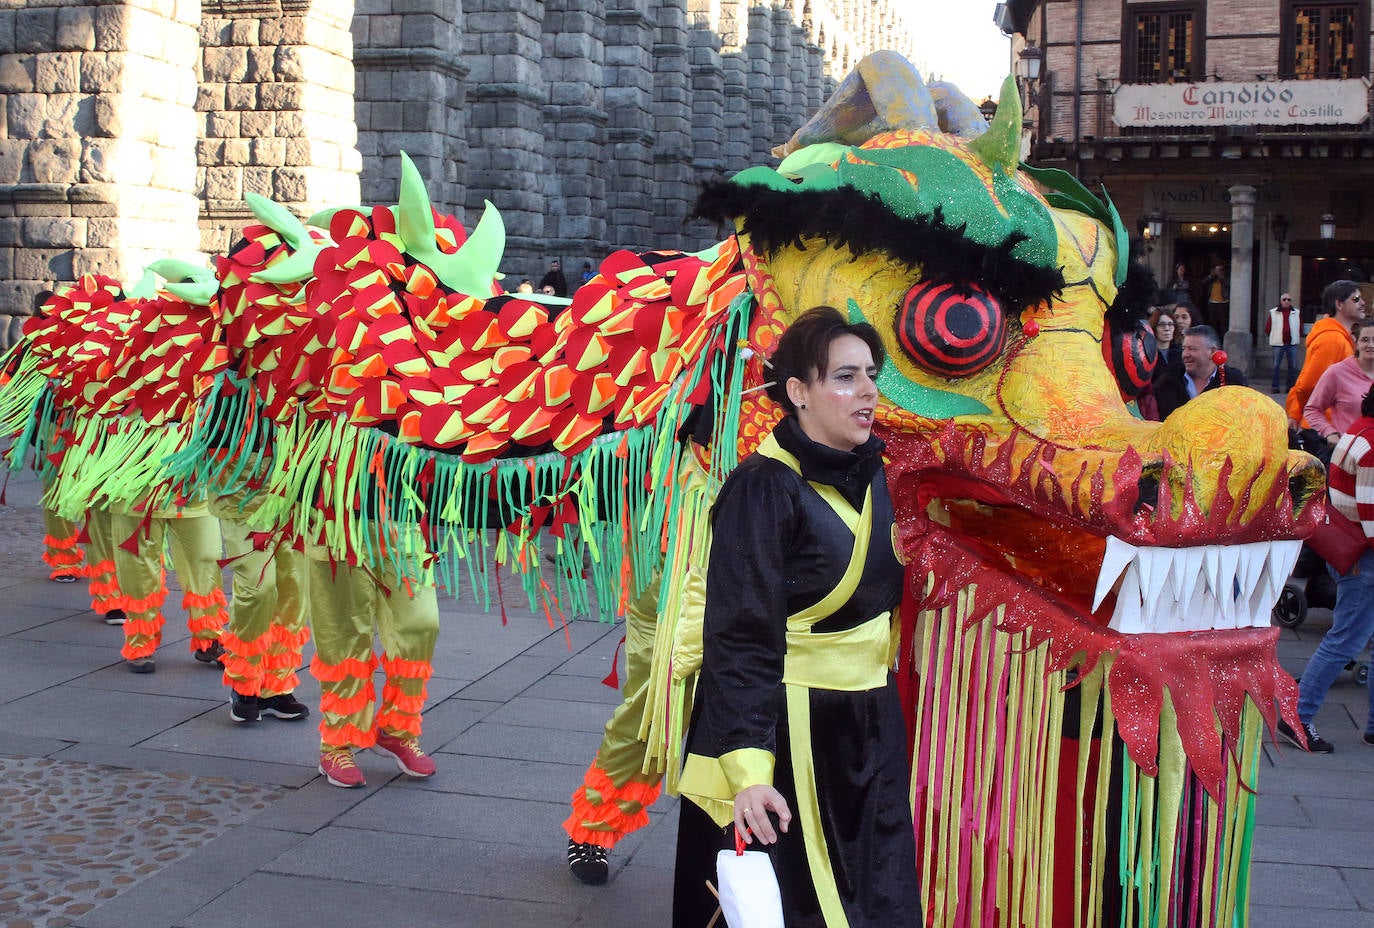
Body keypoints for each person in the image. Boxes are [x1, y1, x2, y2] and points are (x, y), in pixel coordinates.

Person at [672, 306, 921, 928]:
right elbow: (739, 638)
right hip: (790, 733)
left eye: (870, 374)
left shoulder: (874, 474)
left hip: (866, 728)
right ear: (798, 393)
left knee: (877, 897)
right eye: (844, 377)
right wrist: (752, 773)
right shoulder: (763, 489)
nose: (867, 391)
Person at [1278, 384, 1374, 754]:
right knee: (1345, 641)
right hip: (1364, 559)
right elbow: (1371, 517)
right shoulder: (1370, 446)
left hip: (1352, 554)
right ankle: (1297, 716)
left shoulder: (1359, 432)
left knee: (1348, 638)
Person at [1287, 279, 1363, 433]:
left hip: (1332, 426)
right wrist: (1299, 412)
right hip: (1327, 429)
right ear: (1339, 304)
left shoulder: (1342, 337)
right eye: (1356, 299)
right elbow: (1308, 385)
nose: (1362, 302)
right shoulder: (1332, 339)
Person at [1304, 321, 1374, 452]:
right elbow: (1312, 409)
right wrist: (1330, 432)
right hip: (1349, 454)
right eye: (1365, 340)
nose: (1371, 345)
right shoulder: (1337, 372)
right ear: (1356, 343)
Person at [1153, 324, 1249, 420]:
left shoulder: (1233, 381)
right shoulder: (1168, 380)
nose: (1185, 354)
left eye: (1192, 349)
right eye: (1184, 349)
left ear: (1212, 351)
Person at [1266, 292, 1302, 395]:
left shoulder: (1296, 312)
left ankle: (1290, 387)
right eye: (1284, 299)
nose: (1286, 301)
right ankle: (1275, 387)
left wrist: (1296, 336)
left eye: (1289, 300)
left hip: (1292, 343)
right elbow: (1268, 327)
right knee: (1276, 366)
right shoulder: (1273, 312)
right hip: (1278, 343)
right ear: (1281, 301)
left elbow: (1299, 326)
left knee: (1293, 367)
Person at [1203, 264, 1229, 332]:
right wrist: (1211, 275)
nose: (1217, 272)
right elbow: (1204, 282)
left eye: (1219, 270)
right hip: (1212, 303)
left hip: (1222, 303)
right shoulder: (1212, 279)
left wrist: (1221, 276)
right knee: (1212, 323)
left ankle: (1223, 340)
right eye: (1216, 270)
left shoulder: (1225, 278)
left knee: (1223, 323)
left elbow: (1228, 284)